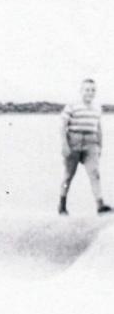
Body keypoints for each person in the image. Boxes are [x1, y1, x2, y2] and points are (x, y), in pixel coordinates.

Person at [58, 78, 112, 215]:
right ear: (81, 91)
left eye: (93, 90)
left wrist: (100, 146)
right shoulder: (72, 105)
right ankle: (62, 204)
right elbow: (62, 125)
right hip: (74, 140)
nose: (90, 93)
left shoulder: (97, 108)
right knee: (68, 175)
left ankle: (100, 205)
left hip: (91, 142)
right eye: (87, 90)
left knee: (95, 173)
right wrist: (64, 144)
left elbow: (98, 128)